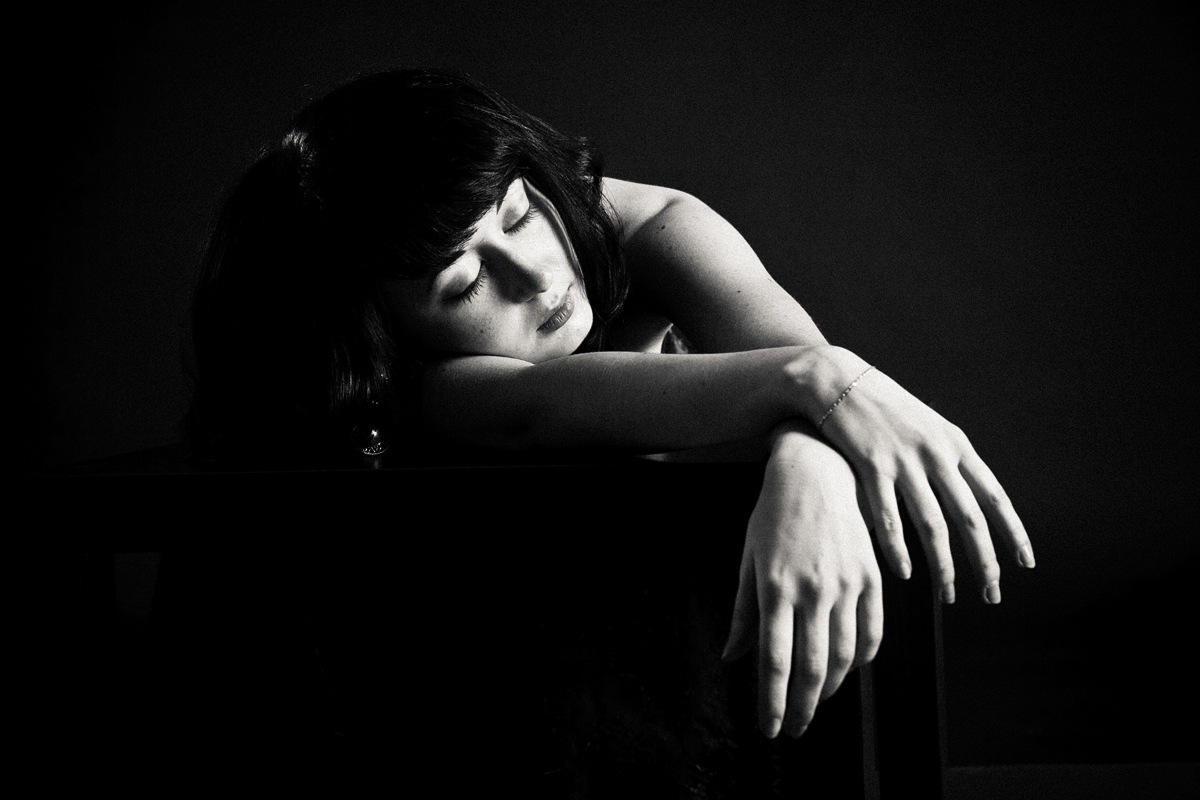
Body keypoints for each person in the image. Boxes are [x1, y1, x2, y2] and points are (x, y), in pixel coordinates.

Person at [187, 68, 1035, 742]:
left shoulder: (639, 220)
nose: (535, 275)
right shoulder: (402, 377)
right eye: (467, 282)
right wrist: (828, 385)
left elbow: (798, 374)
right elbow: (555, 404)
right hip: (378, 660)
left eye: (518, 215)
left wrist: (809, 460)